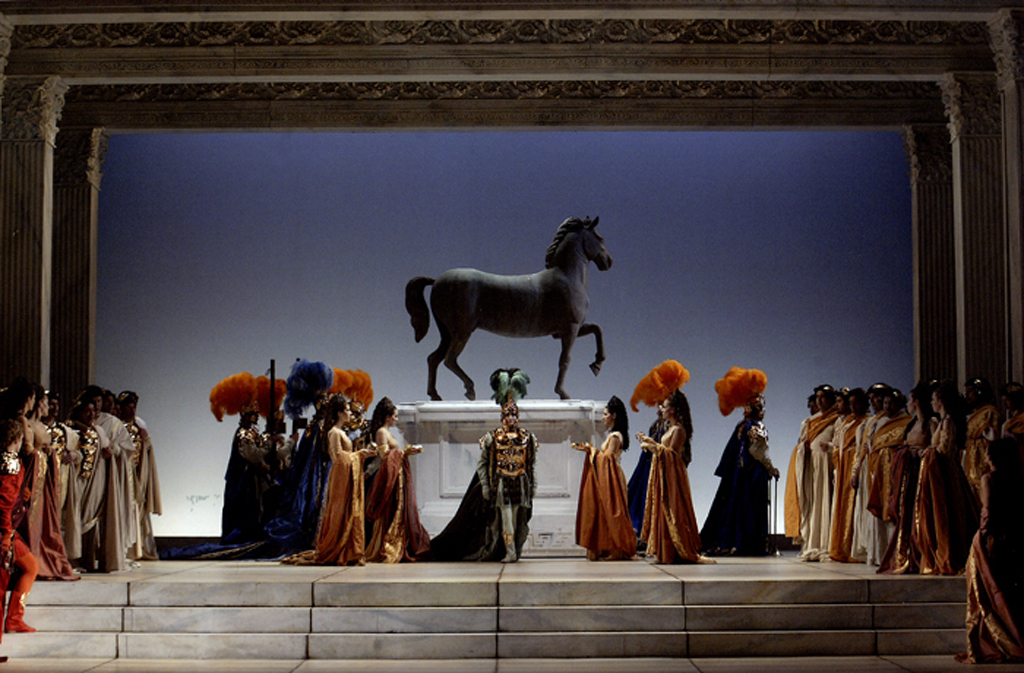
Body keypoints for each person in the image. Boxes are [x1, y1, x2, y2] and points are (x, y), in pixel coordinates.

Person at [430, 369, 538, 563]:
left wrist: (533, 486)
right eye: (507, 415)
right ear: (502, 417)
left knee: (516, 521)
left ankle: (515, 550)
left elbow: (531, 464)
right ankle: (510, 551)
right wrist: (486, 486)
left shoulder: (527, 437)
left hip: (520, 484)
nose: (510, 418)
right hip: (502, 484)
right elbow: (483, 464)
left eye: (514, 415)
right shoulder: (493, 437)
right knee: (506, 522)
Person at [956, 438, 1024, 663]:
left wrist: (982, 537)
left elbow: (988, 511)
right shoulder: (1018, 478)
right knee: (1011, 592)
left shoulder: (989, 479)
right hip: (1015, 537)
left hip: (995, 539)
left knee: (989, 593)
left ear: (993, 457)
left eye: (987, 453)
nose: (985, 457)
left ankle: (998, 641)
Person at [700, 367, 778, 557]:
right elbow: (758, 452)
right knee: (751, 507)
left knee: (738, 507)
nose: (763, 412)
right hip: (754, 475)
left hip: (740, 475)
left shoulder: (742, 426)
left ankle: (737, 541)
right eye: (761, 408)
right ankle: (750, 543)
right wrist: (771, 468)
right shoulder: (756, 427)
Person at [912, 379, 979, 575]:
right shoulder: (943, 421)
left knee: (947, 513)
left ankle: (948, 554)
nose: (931, 402)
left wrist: (927, 452)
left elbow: (945, 449)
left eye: (934, 399)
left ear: (941, 401)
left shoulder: (947, 422)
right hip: (939, 474)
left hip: (946, 475)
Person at [638, 388, 709, 564]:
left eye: (666, 406)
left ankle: (675, 550)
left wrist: (653, 447)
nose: (662, 409)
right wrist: (649, 442)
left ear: (674, 410)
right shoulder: (670, 429)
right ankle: (664, 550)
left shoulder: (679, 430)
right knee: (663, 508)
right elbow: (665, 451)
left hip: (673, 477)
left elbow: (673, 456)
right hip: (664, 475)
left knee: (673, 510)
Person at [19, 384, 77, 580]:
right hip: (33, 480)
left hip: (43, 480)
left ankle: (44, 555)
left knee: (46, 520)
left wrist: (50, 453)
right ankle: (34, 556)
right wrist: (39, 453)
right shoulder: (26, 424)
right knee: (32, 519)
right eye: (44, 402)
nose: (46, 407)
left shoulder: (42, 426)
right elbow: (27, 451)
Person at [311, 395, 377, 565]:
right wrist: (359, 455)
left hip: (346, 474)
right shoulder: (334, 432)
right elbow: (337, 457)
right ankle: (339, 547)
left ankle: (349, 549)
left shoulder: (341, 432)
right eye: (347, 410)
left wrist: (363, 453)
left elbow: (346, 455)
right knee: (341, 509)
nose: (350, 414)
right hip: (341, 477)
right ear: (340, 413)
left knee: (349, 509)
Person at [879, 380, 936, 574]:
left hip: (923, 474)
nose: (909, 404)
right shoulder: (912, 423)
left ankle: (922, 555)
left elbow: (936, 449)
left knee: (920, 515)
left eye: (911, 400)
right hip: (909, 474)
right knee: (907, 515)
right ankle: (907, 554)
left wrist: (922, 453)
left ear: (918, 402)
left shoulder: (931, 423)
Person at [364, 397, 431, 563]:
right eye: (394, 416)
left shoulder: (387, 432)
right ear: (388, 417)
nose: (396, 419)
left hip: (395, 476)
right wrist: (405, 452)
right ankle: (387, 545)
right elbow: (384, 457)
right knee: (390, 511)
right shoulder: (381, 432)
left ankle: (398, 542)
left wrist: (406, 452)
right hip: (387, 478)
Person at [573, 395, 636, 561]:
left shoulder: (615, 436)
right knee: (604, 512)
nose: (603, 417)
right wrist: (590, 450)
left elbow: (607, 458)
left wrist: (592, 451)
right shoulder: (612, 434)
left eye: (606, 414)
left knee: (612, 512)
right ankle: (606, 547)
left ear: (614, 416)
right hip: (608, 476)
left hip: (612, 478)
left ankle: (616, 548)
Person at [858, 388, 912, 566]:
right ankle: (880, 553)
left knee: (893, 508)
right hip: (880, 470)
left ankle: (896, 554)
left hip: (896, 469)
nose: (887, 406)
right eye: (886, 403)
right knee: (880, 510)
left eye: (891, 403)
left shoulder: (906, 421)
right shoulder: (882, 422)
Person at [0, 419, 39, 648]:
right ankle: (14, 618)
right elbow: (4, 504)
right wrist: (5, 535)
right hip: (5, 534)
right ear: (16, 440)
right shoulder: (10, 463)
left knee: (30, 566)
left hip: (8, 532)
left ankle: (15, 618)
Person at [796, 385, 839, 561]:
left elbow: (840, 444)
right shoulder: (810, 421)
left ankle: (827, 544)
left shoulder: (837, 420)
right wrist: (803, 449)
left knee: (826, 501)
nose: (820, 400)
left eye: (824, 397)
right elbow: (801, 443)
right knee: (814, 504)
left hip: (827, 467)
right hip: (813, 468)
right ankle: (812, 542)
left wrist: (829, 448)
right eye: (818, 397)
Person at [221, 402, 273, 546]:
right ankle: (241, 538)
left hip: (250, 478)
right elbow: (252, 455)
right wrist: (269, 445)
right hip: (242, 481)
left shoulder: (252, 432)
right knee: (244, 510)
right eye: (254, 413)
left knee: (254, 508)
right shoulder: (244, 434)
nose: (257, 416)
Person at [830, 388, 869, 563]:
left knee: (854, 506)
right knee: (842, 505)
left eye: (856, 403)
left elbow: (860, 448)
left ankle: (854, 548)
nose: (853, 407)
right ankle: (841, 546)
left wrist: (855, 468)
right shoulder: (848, 422)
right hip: (843, 468)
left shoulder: (866, 422)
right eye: (850, 403)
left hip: (854, 466)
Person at [626, 403, 664, 545]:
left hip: (658, 466)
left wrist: (648, 443)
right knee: (641, 498)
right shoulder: (656, 425)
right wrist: (644, 441)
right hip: (648, 465)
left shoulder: (670, 428)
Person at [783, 393, 818, 543]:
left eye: (814, 405)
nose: (812, 409)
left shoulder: (831, 420)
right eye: (810, 407)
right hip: (806, 463)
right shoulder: (808, 422)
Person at [962, 377, 1001, 505]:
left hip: (983, 461)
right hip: (971, 462)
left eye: (970, 391)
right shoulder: (974, 413)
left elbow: (994, 436)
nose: (967, 395)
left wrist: (980, 428)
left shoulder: (989, 412)